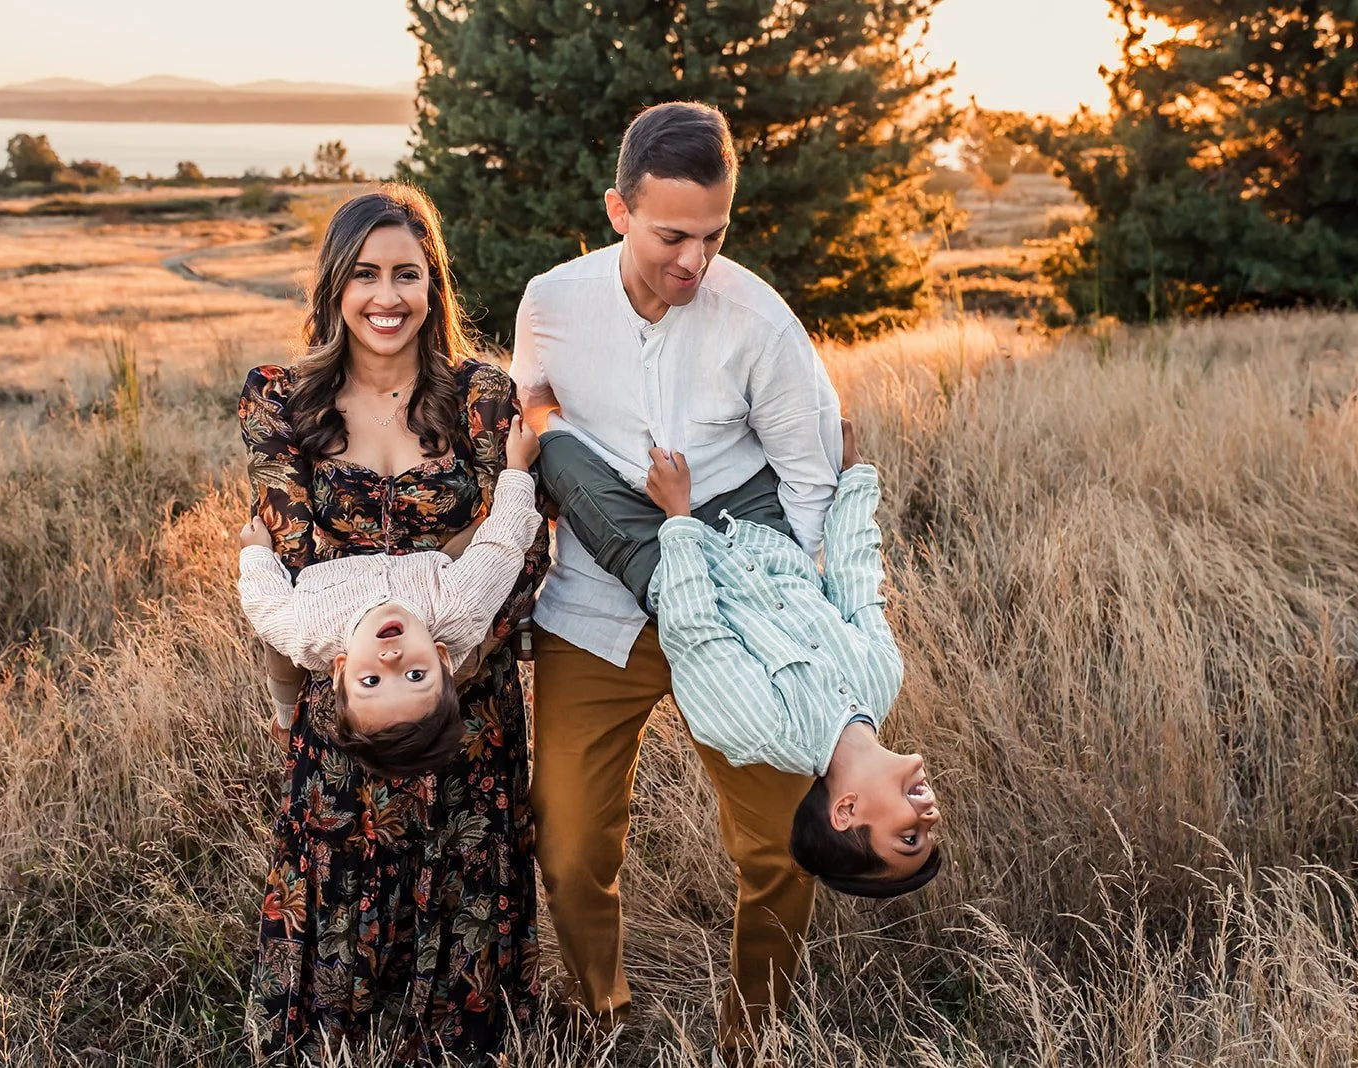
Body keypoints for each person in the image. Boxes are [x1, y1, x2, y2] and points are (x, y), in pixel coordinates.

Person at [511, 100, 843, 1055]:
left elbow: (812, 481)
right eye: (671, 236)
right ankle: (602, 1021)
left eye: (715, 234)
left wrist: (784, 622)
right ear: (619, 211)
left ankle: (750, 1042)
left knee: (781, 846)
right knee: (568, 847)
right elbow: (537, 423)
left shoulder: (760, 320)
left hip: (736, 608)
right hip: (595, 606)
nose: (695, 260)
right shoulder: (551, 303)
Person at [239, 183, 548, 1066]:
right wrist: (442, 560)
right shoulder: (282, 399)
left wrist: (438, 661)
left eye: (407, 274)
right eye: (366, 274)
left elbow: (521, 550)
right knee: (340, 875)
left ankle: (458, 1038)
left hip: (467, 702)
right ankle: (337, 1034)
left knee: (465, 872)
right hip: (344, 699)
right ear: (334, 284)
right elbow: (286, 556)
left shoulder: (481, 397)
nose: (387, 296)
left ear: (432, 283)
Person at [535, 421, 943, 898]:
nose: (930, 816)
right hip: (756, 526)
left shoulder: (766, 731)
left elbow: (695, 631)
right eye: (930, 830)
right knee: (725, 419)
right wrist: (854, 477)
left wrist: (678, 515)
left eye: (909, 837)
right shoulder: (882, 677)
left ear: (846, 811)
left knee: (555, 449)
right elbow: (856, 578)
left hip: (662, 554)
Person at [235, 418, 542, 779]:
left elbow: (265, 603)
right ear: (442, 660)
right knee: (483, 562)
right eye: (415, 675)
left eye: (371, 682)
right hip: (434, 590)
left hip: (339, 584)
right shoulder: (457, 604)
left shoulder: (311, 626)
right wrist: (518, 466)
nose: (392, 659)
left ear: (340, 672)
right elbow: (504, 541)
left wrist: (255, 553)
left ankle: (285, 718)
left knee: (281, 652)